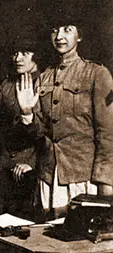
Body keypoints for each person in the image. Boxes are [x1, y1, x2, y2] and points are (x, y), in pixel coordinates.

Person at [16, 18, 113, 220]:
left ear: (80, 36)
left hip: (83, 177)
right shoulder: (44, 77)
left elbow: (108, 134)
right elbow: (38, 134)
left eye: (67, 30)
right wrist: (27, 114)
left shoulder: (96, 74)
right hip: (48, 177)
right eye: (54, 30)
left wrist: (106, 183)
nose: (59, 36)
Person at [0, 33, 44, 219]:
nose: (18, 58)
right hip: (2, 170)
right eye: (15, 53)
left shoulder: (45, 83)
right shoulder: (7, 85)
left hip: (28, 174)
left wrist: (33, 166)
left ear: (37, 55)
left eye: (25, 52)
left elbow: (48, 134)